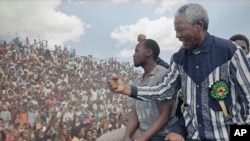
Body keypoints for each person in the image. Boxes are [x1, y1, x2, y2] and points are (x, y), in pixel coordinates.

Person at [107, 3, 250, 141]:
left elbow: (248, 96)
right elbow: (163, 90)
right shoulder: (179, 58)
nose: (177, 35)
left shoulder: (230, 52)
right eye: (176, 30)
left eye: (181, 30)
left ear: (199, 26)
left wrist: (241, 136)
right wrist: (126, 89)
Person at [98, 38, 178, 141]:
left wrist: (141, 139)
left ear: (148, 52)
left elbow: (164, 116)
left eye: (136, 51)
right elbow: (134, 112)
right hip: (140, 131)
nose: (133, 55)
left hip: (161, 134)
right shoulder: (137, 81)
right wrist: (127, 137)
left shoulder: (164, 76)